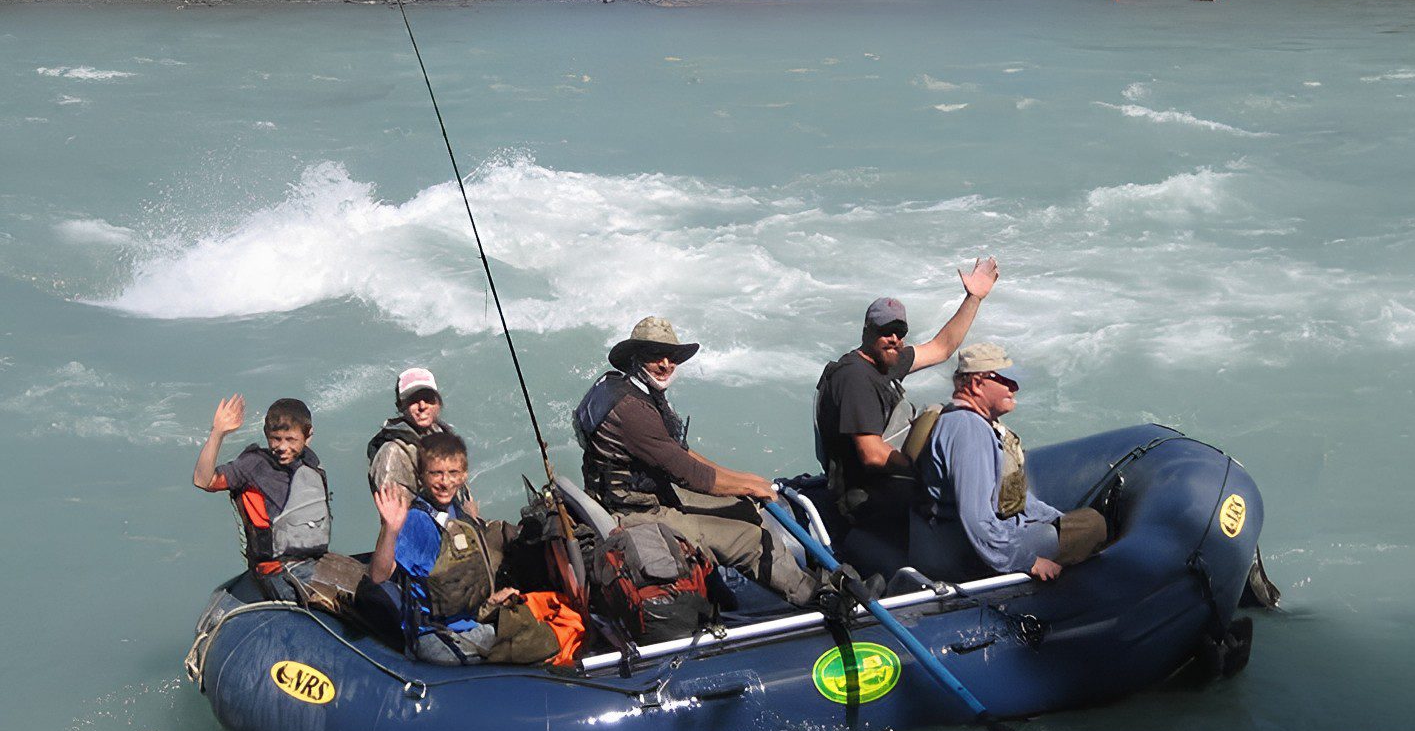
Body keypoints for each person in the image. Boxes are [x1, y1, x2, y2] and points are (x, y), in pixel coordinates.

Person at [573, 316, 824, 607]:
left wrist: (748, 481)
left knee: (744, 507)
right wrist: (750, 488)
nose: (666, 364)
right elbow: (691, 475)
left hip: (641, 496)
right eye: (656, 355)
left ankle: (719, 592)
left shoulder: (627, 388)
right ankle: (816, 598)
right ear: (636, 357)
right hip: (633, 512)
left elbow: (680, 453)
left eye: (673, 357)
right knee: (749, 539)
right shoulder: (631, 410)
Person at [814, 257, 1000, 532]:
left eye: (900, 332)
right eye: (885, 331)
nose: (894, 339)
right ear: (867, 330)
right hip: (866, 496)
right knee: (957, 503)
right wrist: (926, 469)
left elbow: (941, 347)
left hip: (888, 479)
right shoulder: (855, 378)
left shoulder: (885, 363)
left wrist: (973, 298)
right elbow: (872, 454)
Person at [909, 343, 1106, 583]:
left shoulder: (972, 423)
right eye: (1006, 381)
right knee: (1093, 525)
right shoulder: (968, 430)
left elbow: (1012, 499)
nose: (1015, 387)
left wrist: (1057, 518)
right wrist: (1028, 561)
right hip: (963, 554)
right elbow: (976, 521)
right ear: (976, 384)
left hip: (959, 542)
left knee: (1076, 521)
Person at [368, 432, 522, 665]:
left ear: (464, 475)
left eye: (453, 473)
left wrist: (491, 601)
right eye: (436, 473)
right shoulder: (416, 521)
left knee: (536, 638)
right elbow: (379, 575)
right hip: (434, 634)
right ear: (421, 476)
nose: (445, 482)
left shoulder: (461, 514)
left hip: (472, 623)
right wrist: (390, 529)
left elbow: (463, 577)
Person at [192, 395, 331, 602]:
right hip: (278, 573)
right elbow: (204, 480)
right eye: (276, 439)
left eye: (291, 439)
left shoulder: (309, 464)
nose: (283, 447)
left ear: (308, 436)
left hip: (312, 563)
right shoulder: (253, 465)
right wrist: (218, 433)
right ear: (267, 435)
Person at [367, 367, 464, 498]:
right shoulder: (393, 454)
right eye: (413, 400)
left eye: (428, 398)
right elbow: (395, 515)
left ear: (438, 403)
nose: (422, 406)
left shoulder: (445, 439)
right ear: (400, 406)